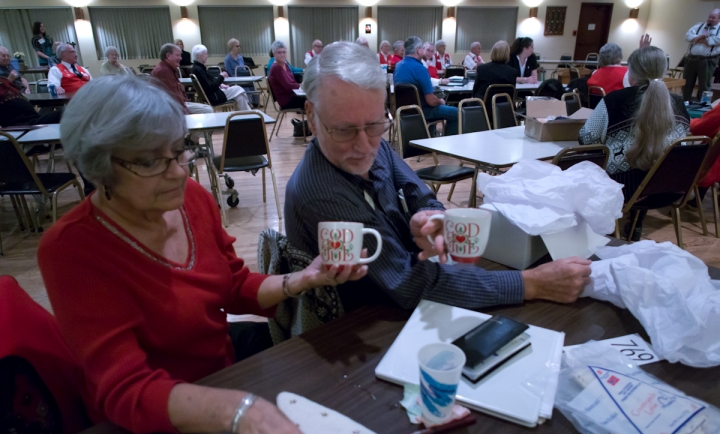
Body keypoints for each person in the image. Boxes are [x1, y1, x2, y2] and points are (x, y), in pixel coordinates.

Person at [37, 75, 367, 434]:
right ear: (100, 167)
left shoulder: (194, 198)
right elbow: (126, 390)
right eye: (149, 161)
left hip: (223, 382)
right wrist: (239, 409)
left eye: (179, 152)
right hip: (150, 431)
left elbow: (233, 287)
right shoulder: (72, 247)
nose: (177, 172)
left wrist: (302, 279)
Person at [285, 41, 592, 314]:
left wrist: (427, 219)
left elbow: (422, 197)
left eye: (375, 125)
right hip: (359, 330)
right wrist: (531, 283)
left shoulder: (369, 147)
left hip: (406, 305)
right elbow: (406, 283)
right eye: (344, 130)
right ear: (311, 116)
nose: (365, 146)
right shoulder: (317, 188)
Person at [579, 46, 690, 240]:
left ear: (631, 73)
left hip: (623, 187)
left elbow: (586, 139)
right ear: (664, 71)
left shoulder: (614, 101)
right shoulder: (679, 104)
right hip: (671, 186)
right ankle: (635, 224)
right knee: (648, 161)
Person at [394, 36, 458, 136]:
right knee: (456, 112)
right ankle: (448, 145)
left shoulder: (398, 66)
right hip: (422, 111)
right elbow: (431, 101)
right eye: (423, 48)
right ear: (418, 50)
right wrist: (440, 101)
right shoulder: (420, 69)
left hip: (403, 111)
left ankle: (429, 136)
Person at [151, 43, 212, 115]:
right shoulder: (163, 71)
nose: (181, 58)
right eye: (178, 55)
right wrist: (186, 112)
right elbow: (174, 97)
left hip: (174, 105)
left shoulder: (168, 69)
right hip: (169, 108)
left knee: (207, 108)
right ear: (168, 56)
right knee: (208, 110)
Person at [192, 44, 250, 111]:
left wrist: (220, 84)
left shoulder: (197, 68)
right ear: (198, 55)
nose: (207, 56)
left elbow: (209, 83)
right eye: (205, 54)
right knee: (239, 89)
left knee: (240, 96)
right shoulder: (199, 69)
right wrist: (221, 76)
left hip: (213, 95)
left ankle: (247, 114)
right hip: (215, 97)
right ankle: (249, 114)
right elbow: (211, 86)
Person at [683, 9, 720, 102]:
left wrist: (697, 39)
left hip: (707, 61)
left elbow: (716, 40)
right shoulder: (699, 26)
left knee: (704, 85)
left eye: (713, 18)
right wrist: (701, 37)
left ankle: (702, 106)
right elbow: (687, 36)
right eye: (709, 17)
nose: (710, 19)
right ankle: (684, 102)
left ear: (719, 19)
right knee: (687, 83)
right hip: (691, 59)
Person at [267, 40, 305, 110]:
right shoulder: (276, 67)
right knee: (313, 101)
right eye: (279, 52)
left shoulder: (285, 64)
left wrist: (299, 86)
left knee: (313, 98)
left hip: (293, 95)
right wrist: (300, 85)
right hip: (286, 100)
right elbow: (288, 86)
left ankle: (311, 120)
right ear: (274, 54)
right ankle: (312, 120)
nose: (282, 54)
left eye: (284, 52)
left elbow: (292, 81)